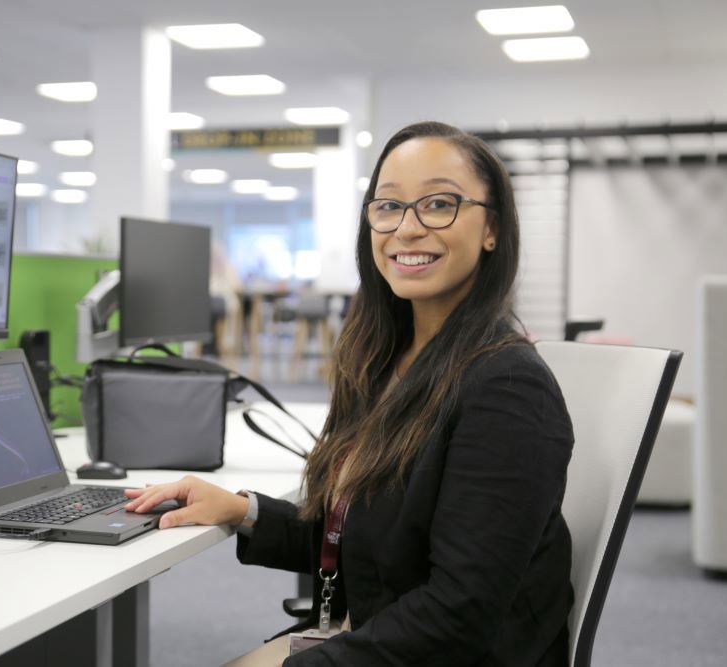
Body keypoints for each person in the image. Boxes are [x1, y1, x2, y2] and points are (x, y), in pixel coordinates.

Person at [124, 121, 575, 665]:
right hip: (381, 632)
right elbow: (364, 543)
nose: (407, 228)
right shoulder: (387, 361)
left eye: (439, 204)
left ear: (492, 229)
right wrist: (242, 511)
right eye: (388, 206)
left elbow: (460, 616)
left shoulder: (506, 388)